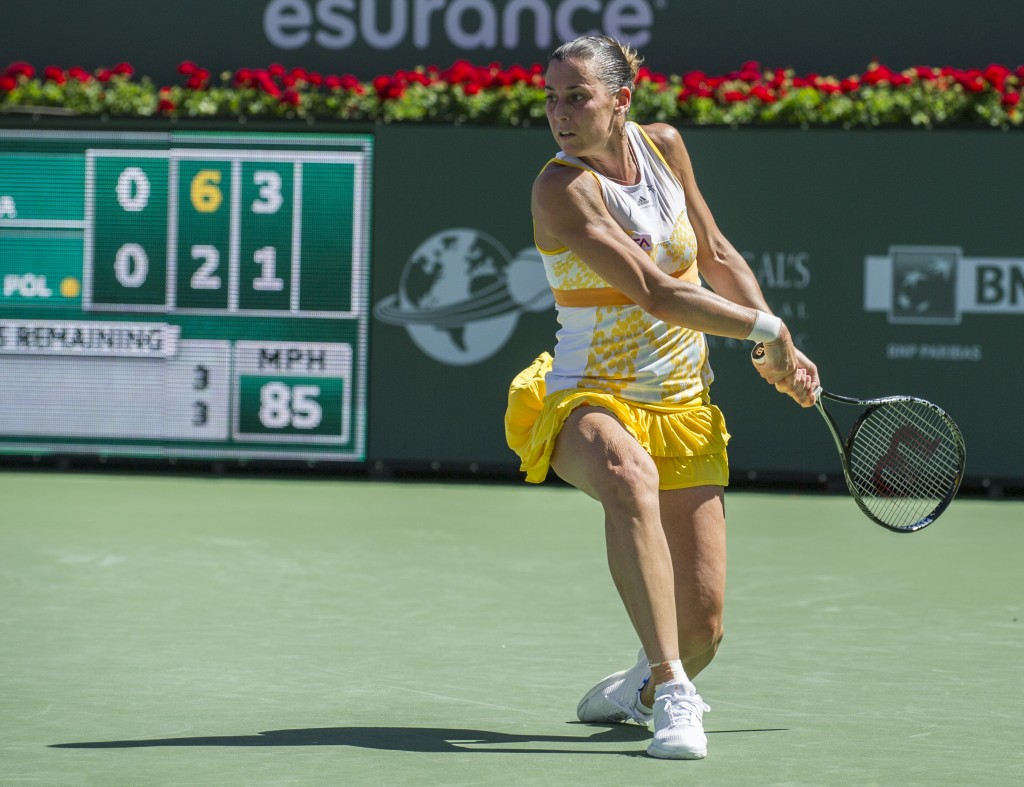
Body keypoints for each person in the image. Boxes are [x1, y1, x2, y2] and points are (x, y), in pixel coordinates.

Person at [504, 35, 819, 760]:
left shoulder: (666, 147)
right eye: (550, 97)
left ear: (622, 99)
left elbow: (715, 255)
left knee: (704, 628)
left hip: (682, 402)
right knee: (626, 475)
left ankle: (641, 684)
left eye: (576, 96)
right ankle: (674, 691)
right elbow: (656, 290)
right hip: (590, 395)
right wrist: (765, 329)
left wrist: (785, 350)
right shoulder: (560, 187)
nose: (559, 112)